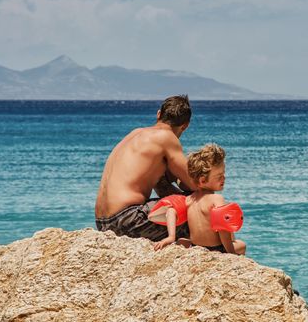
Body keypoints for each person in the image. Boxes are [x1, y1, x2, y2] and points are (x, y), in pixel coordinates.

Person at [95, 95, 197, 246]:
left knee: (169, 191)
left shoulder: (135, 133)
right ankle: (217, 249)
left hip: (103, 223)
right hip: (129, 220)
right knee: (201, 203)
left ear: (158, 114)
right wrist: (177, 178)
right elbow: (195, 185)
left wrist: (168, 175)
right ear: (185, 125)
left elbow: (162, 188)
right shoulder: (167, 137)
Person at [186, 143, 246, 255]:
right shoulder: (216, 199)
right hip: (216, 250)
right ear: (203, 181)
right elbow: (223, 229)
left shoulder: (189, 199)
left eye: (224, 174)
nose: (224, 178)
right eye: (219, 176)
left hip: (196, 248)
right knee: (242, 245)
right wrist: (230, 253)